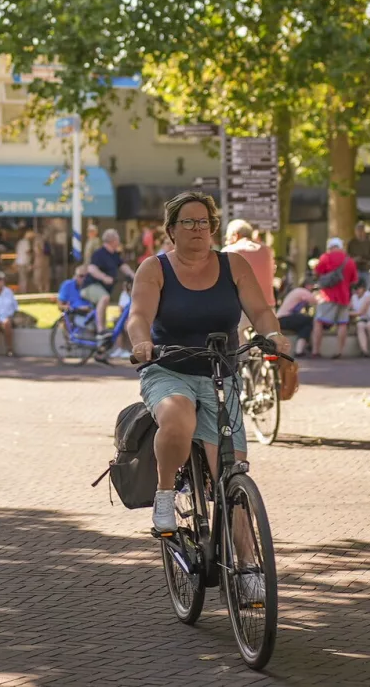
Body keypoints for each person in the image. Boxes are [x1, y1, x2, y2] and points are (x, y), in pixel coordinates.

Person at [126, 191, 288, 603]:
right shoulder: (154, 268)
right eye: (188, 222)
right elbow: (139, 316)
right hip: (168, 368)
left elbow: (261, 311)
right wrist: (143, 343)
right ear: (171, 230)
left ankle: (249, 566)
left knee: (231, 479)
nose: (197, 230)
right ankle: (165, 496)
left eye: (204, 222)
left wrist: (274, 335)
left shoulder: (233, 265)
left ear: (213, 228)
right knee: (178, 417)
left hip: (220, 373)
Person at [311, 237, 357, 358]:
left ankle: (316, 351)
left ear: (330, 247)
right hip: (344, 297)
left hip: (327, 296)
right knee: (342, 323)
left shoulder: (325, 257)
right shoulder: (349, 260)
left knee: (318, 321)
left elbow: (317, 272)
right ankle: (339, 351)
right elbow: (354, 280)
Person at [84, 229, 133, 335]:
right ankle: (101, 329)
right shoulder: (99, 254)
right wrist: (104, 277)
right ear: (113, 240)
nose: (119, 242)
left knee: (105, 299)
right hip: (90, 286)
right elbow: (91, 269)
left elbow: (123, 266)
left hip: (103, 288)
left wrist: (134, 275)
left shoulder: (114, 255)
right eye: (118, 239)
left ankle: (102, 342)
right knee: (104, 298)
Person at [224, 220, 276, 308]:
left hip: (240, 310)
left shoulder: (229, 251)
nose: (227, 242)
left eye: (228, 239)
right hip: (268, 308)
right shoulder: (267, 250)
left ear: (235, 235)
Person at [276, 281, 317, 354]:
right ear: (307, 285)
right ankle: (312, 346)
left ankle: (299, 351)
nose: (313, 287)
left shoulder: (297, 291)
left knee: (306, 327)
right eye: (312, 285)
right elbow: (315, 301)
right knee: (311, 320)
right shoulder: (302, 291)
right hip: (284, 318)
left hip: (284, 319)